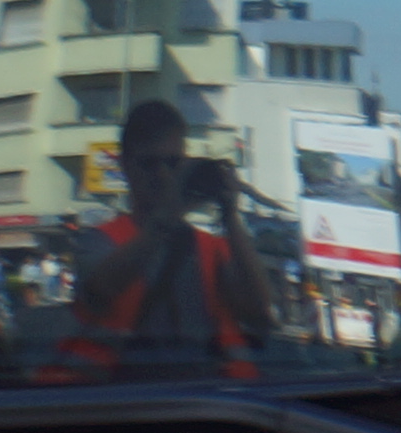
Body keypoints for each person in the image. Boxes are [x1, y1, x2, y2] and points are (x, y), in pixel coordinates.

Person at [41, 100, 277, 382]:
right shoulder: (99, 240)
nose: (163, 175)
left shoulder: (211, 247)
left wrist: (230, 216)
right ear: (125, 166)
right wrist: (166, 216)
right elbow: (101, 288)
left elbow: (258, 314)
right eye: (149, 164)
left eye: (173, 164)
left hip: (206, 405)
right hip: (115, 402)